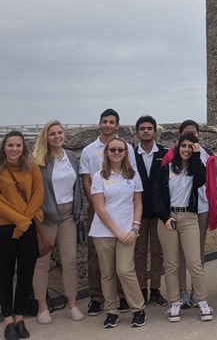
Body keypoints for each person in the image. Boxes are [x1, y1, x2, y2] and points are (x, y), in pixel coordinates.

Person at [79, 108, 136, 316]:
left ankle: (121, 296)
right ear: (99, 123)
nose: (108, 125)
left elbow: (131, 175)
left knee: (122, 254)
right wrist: (95, 204)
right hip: (98, 207)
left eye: (112, 122)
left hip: (122, 209)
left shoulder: (126, 147)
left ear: (117, 125)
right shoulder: (88, 150)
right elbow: (86, 179)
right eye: (105, 121)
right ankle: (97, 297)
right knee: (96, 255)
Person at [154, 133, 214, 323]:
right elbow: (157, 195)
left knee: (194, 261)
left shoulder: (196, 168)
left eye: (191, 146)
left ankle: (202, 300)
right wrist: (165, 217)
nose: (186, 149)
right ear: (177, 147)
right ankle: (175, 303)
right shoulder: (166, 169)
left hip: (189, 217)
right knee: (171, 264)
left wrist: (197, 156)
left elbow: (200, 181)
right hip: (169, 217)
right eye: (184, 146)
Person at [89, 136, 146, 328]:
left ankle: (138, 308)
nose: (116, 153)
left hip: (128, 230)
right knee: (107, 273)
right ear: (106, 152)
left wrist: (135, 227)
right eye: (112, 150)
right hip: (104, 232)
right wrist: (116, 232)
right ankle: (111, 311)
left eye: (120, 150)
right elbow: (99, 208)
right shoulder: (99, 176)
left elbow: (138, 203)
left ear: (125, 153)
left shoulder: (133, 175)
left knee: (125, 270)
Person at [32, 120, 84, 323]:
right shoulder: (40, 159)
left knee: (70, 260)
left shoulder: (70, 156)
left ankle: (72, 304)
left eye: (60, 132)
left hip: (68, 213)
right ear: (46, 136)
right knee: (42, 262)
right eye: (52, 133)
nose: (57, 136)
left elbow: (76, 186)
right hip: (48, 214)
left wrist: (78, 209)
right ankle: (42, 307)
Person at [0, 131, 44, 340]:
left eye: (18, 145)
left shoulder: (31, 167)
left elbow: (38, 194)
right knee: (5, 274)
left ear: (23, 148)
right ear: (4, 148)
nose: (14, 149)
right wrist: (20, 221)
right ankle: (8, 320)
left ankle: (20, 317)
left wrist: (25, 221)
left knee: (26, 274)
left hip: (27, 227)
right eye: (10, 145)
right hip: (5, 228)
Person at [133, 115, 168, 306]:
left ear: (155, 131)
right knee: (138, 253)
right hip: (136, 212)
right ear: (137, 132)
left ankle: (155, 289)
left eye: (149, 128)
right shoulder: (130, 154)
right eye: (142, 128)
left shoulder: (165, 152)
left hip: (158, 212)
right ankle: (140, 289)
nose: (146, 131)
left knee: (157, 251)